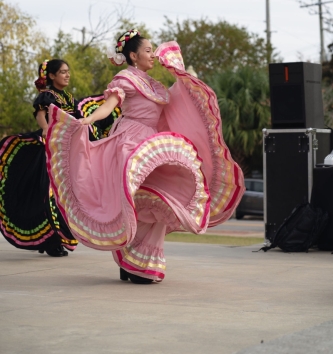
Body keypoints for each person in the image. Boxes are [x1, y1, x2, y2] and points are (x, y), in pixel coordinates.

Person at [46, 30, 245, 282]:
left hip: (152, 142)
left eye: (153, 50)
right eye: (148, 51)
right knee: (132, 200)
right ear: (133, 55)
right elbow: (109, 107)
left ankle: (136, 259)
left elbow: (175, 103)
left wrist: (186, 78)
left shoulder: (155, 85)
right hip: (130, 141)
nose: (152, 55)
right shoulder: (125, 79)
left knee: (161, 198)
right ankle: (131, 260)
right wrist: (88, 119)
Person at [0, 59, 119, 257]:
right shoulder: (48, 95)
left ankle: (52, 240)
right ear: (52, 76)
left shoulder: (69, 97)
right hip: (51, 146)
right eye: (62, 72)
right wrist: (46, 129)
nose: (67, 75)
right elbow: (40, 114)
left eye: (68, 71)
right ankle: (51, 241)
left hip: (65, 147)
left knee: (61, 193)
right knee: (50, 193)